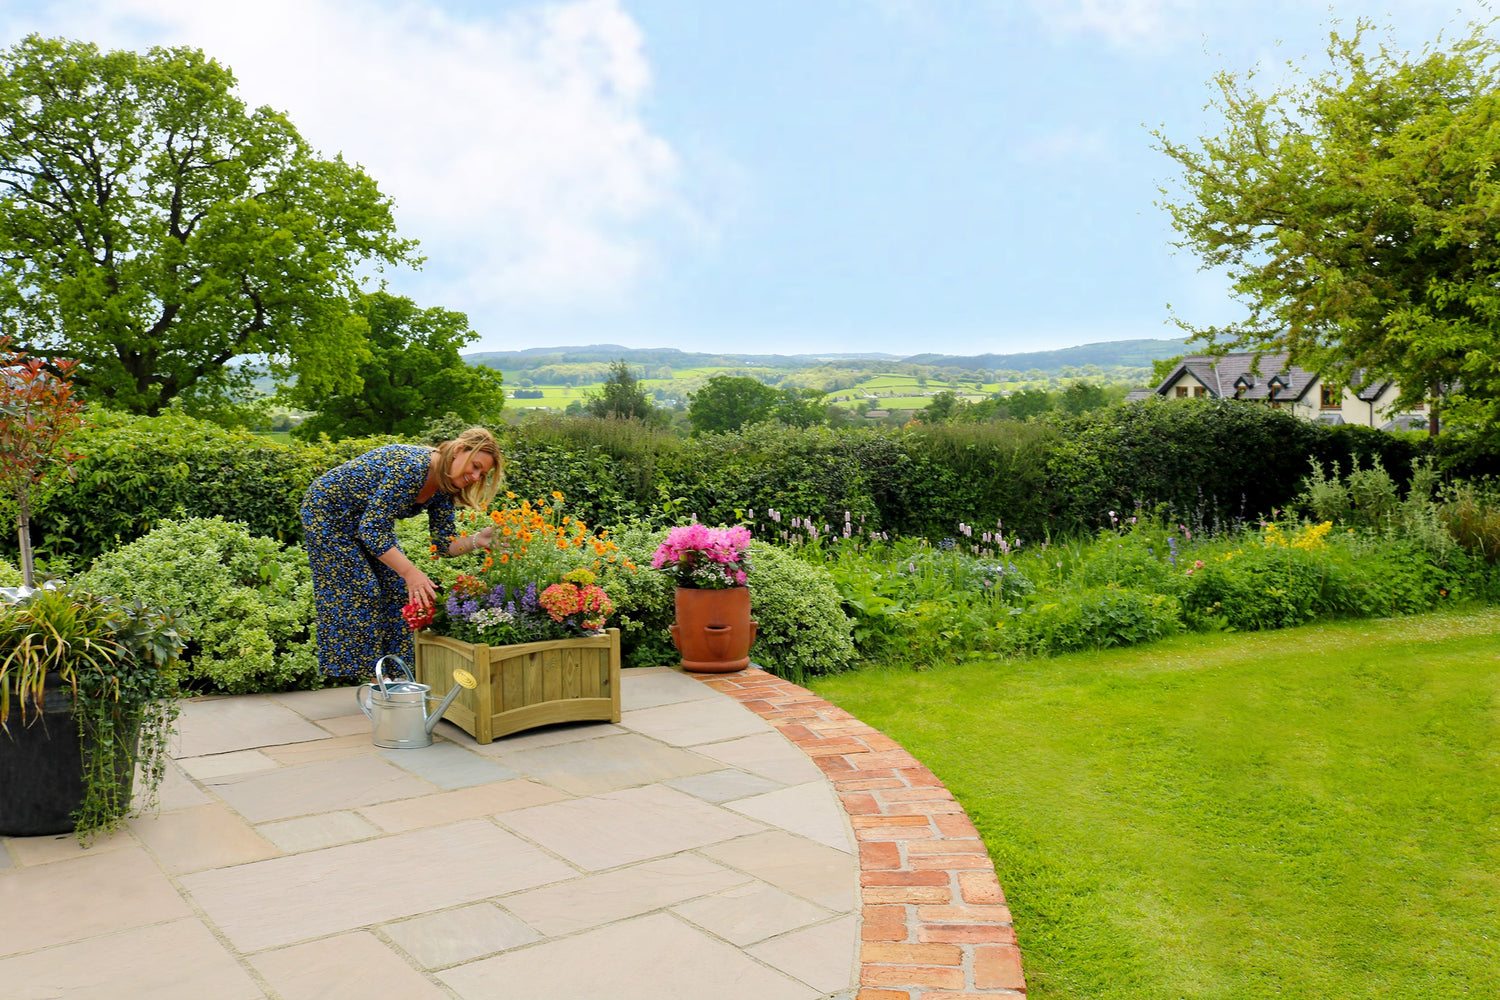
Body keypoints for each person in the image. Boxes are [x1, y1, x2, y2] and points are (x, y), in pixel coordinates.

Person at [300, 427, 503, 680]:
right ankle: (378, 682)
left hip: (367, 521)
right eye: (474, 466)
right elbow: (373, 529)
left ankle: (401, 677)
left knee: (399, 590)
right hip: (327, 513)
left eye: (482, 474)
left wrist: (478, 540)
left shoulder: (445, 486)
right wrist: (410, 572)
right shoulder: (412, 468)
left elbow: (443, 544)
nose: (475, 476)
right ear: (459, 450)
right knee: (362, 588)